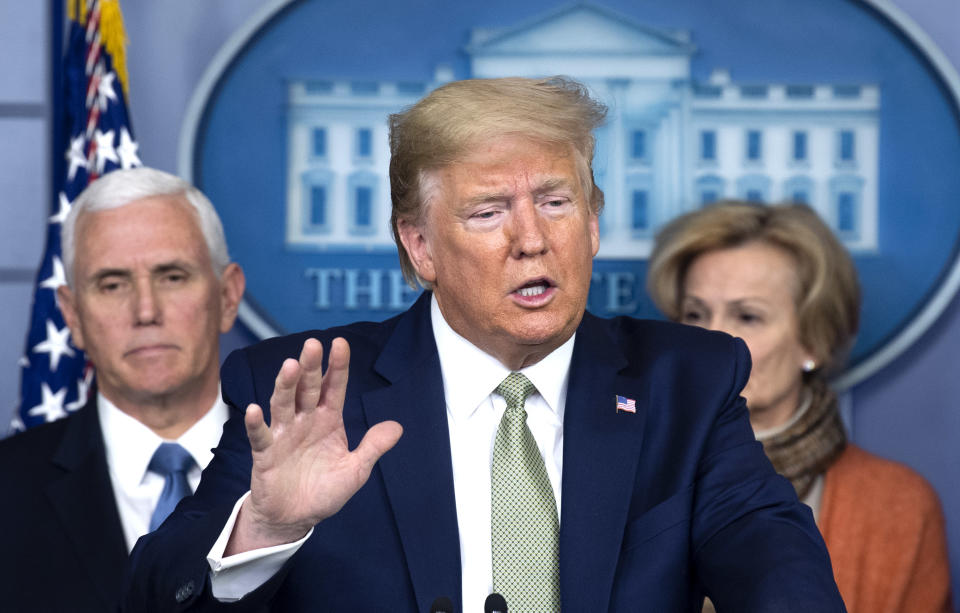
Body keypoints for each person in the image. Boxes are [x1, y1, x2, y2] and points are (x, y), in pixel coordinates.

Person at [123, 78, 845, 612]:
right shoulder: (304, 391)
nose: (532, 239)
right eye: (488, 211)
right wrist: (267, 526)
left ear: (592, 224)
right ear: (420, 245)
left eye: (557, 203)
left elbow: (775, 563)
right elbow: (154, 597)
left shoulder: (685, 383)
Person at [647, 200, 952, 613]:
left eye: (747, 317)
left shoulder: (898, 506)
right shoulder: (631, 476)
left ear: (814, 340)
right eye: (695, 314)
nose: (712, 343)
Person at [0, 167, 245, 612]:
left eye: (172, 276)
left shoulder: (314, 482)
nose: (145, 311)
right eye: (112, 285)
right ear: (72, 316)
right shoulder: (6, 491)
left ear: (228, 296)